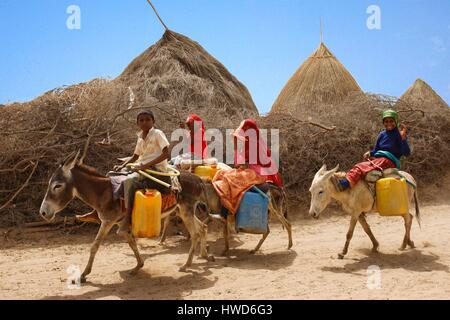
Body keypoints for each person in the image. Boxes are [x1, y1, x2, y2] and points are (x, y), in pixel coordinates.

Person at [334, 109, 411, 191]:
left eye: (391, 121)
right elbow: (376, 150)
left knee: (362, 167)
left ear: (396, 121)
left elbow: (407, 153)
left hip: (389, 161)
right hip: (379, 159)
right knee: (363, 165)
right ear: (383, 122)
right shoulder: (382, 135)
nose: (389, 123)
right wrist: (370, 153)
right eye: (386, 121)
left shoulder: (399, 135)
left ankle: (346, 182)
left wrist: (403, 140)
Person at [232, 119, 283, 188]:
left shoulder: (257, 144)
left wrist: (247, 165)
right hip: (254, 171)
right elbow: (238, 164)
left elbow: (238, 164)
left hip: (262, 174)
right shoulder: (249, 143)